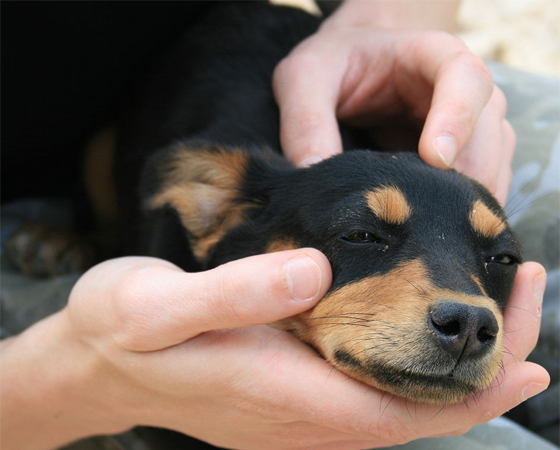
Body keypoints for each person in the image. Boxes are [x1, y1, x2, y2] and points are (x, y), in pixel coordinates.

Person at [0, 1, 550, 449]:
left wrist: (385, 24)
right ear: (221, 215)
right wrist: (90, 378)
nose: (472, 313)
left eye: (496, 258)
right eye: (363, 235)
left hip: (340, 73)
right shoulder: (217, 200)